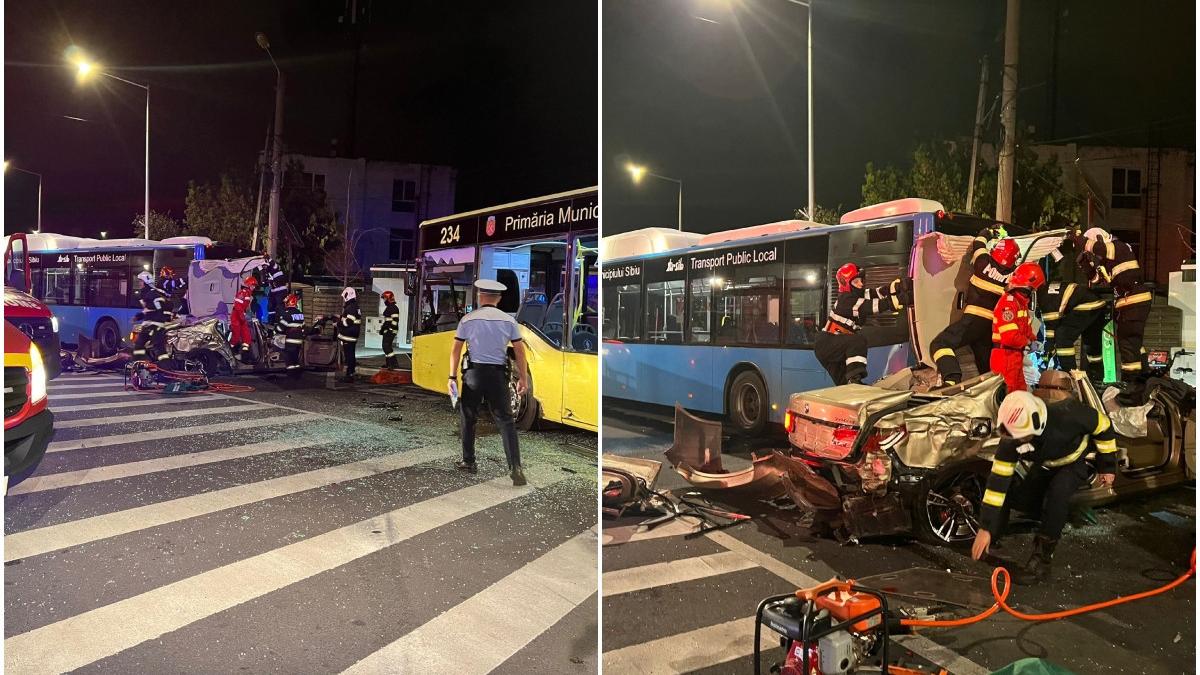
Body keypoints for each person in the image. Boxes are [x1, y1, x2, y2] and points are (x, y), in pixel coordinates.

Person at [971, 390, 1118, 584]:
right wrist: (986, 528)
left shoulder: (1070, 414)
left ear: (1037, 424)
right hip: (1045, 465)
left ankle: (1043, 558)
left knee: (1057, 497)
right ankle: (996, 535)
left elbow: (1104, 427)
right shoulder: (1012, 438)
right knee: (1019, 497)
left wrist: (1107, 466)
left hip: (1072, 463)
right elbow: (997, 483)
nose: (1019, 441)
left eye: (1023, 437)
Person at [450, 279, 529, 486]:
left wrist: (451, 377)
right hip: (498, 376)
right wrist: (523, 377)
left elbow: (456, 351)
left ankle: (469, 461)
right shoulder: (509, 321)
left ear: (480, 296)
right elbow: (520, 350)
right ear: (499, 299)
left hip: (474, 374)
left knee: (469, 417)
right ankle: (516, 468)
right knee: (506, 421)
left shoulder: (467, 320)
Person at [930, 230, 1018, 386]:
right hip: (991, 326)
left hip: (973, 319)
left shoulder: (983, 262)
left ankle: (951, 379)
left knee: (940, 344)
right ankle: (995, 390)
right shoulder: (1012, 277)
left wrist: (990, 231)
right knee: (984, 362)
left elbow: (979, 242)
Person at [1081, 228, 1151, 402]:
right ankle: (1145, 379)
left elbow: (1101, 249)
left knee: (1127, 343)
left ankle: (1132, 386)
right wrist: (1087, 267)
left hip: (1133, 301)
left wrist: (1079, 240)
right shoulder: (1109, 258)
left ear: (1100, 238)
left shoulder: (1118, 247)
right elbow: (1100, 281)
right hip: (1130, 303)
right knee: (1134, 343)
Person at [814, 263, 910, 385]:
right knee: (857, 341)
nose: (861, 284)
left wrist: (898, 287)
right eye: (856, 282)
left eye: (861, 280)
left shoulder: (857, 294)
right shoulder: (846, 300)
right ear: (846, 285)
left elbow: (876, 293)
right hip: (827, 343)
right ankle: (855, 379)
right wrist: (900, 300)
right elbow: (872, 306)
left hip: (834, 343)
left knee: (843, 384)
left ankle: (852, 386)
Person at [990, 262, 1045, 392]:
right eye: (1033, 289)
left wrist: (1033, 340)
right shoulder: (1008, 304)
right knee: (1010, 396)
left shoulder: (1019, 303)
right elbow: (1010, 337)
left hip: (1014, 356)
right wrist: (1027, 343)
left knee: (1020, 394)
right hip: (1005, 357)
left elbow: (1024, 329)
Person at [1042, 280, 1107, 380]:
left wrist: (1049, 346)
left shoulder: (1043, 298)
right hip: (1097, 303)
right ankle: (1097, 377)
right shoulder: (1047, 290)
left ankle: (1070, 376)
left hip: (1087, 304)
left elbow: (1052, 325)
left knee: (1063, 337)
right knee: (1092, 343)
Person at [133, 271, 174, 362]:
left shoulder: (151, 294)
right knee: (139, 346)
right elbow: (150, 309)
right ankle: (141, 365)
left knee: (158, 348)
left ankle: (165, 367)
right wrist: (139, 316)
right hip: (150, 325)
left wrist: (140, 315)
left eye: (141, 281)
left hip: (155, 326)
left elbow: (158, 307)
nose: (139, 284)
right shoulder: (150, 293)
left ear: (146, 282)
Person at [335, 286, 363, 381]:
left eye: (344, 296)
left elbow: (349, 322)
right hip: (352, 335)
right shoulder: (354, 306)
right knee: (351, 354)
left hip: (349, 335)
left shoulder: (351, 307)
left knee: (349, 355)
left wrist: (338, 323)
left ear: (348, 296)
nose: (344, 298)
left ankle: (349, 374)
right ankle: (351, 372)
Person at [230, 275, 257, 360]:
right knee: (236, 336)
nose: (254, 287)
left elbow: (246, 307)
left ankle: (245, 352)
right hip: (236, 316)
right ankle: (231, 350)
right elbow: (238, 306)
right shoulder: (243, 292)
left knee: (246, 335)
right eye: (253, 285)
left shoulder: (248, 293)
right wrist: (242, 316)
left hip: (241, 316)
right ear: (249, 285)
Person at [278, 293, 306, 374]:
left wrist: (275, 329)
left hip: (290, 340)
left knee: (289, 359)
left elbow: (280, 328)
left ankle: (291, 375)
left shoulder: (287, 314)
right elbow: (303, 327)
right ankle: (297, 372)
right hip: (299, 341)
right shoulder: (300, 314)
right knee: (295, 358)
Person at [259, 252, 287, 325]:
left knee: (280, 306)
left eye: (265, 265)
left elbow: (273, 264)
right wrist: (261, 270)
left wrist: (267, 257)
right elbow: (263, 282)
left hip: (281, 290)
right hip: (273, 291)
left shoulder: (274, 268)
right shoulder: (265, 273)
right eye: (263, 266)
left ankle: (282, 322)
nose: (264, 267)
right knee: (270, 306)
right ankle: (271, 322)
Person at [380, 290, 401, 369]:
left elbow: (395, 320)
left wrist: (390, 329)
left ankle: (394, 364)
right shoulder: (390, 307)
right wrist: (383, 329)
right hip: (388, 330)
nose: (384, 300)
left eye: (385, 298)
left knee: (386, 346)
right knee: (386, 346)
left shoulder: (393, 308)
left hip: (391, 330)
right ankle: (389, 363)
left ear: (388, 298)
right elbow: (387, 321)